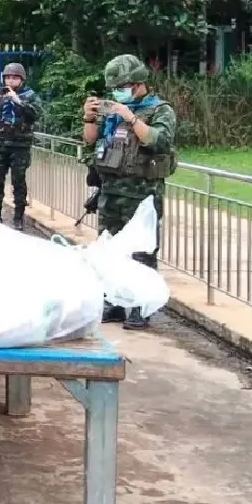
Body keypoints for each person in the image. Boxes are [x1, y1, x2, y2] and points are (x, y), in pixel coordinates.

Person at [83, 54, 178, 329]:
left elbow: (159, 141)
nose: (117, 92)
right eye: (115, 87)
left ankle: (141, 307)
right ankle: (113, 304)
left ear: (138, 84)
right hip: (111, 190)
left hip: (143, 193)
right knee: (108, 248)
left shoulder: (160, 109)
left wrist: (131, 118)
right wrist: (89, 117)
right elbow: (91, 140)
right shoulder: (111, 111)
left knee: (141, 251)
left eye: (122, 86)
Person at [0, 62, 40, 229]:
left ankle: (19, 216)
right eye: (8, 78)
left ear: (22, 80)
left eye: (15, 78)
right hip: (0, 144)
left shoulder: (29, 95)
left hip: (20, 146)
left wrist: (18, 101)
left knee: (19, 182)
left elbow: (36, 114)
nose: (10, 81)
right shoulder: (0, 94)